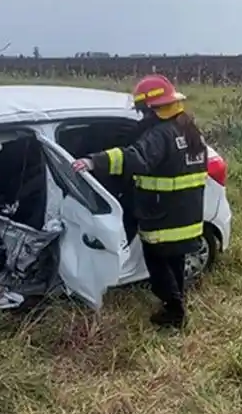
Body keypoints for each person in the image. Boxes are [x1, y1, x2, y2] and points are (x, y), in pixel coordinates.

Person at [72, 74, 206, 328]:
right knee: (174, 261)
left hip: (162, 214)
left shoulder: (160, 134)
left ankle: (174, 312)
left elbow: (137, 158)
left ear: (151, 108)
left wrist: (94, 162)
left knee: (158, 266)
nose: (142, 116)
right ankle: (176, 302)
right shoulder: (187, 127)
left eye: (144, 111)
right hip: (187, 211)